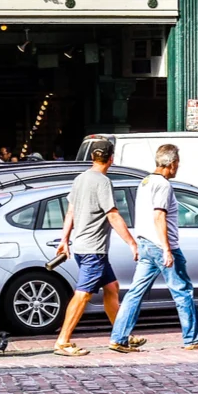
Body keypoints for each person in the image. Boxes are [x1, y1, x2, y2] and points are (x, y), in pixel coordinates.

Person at [110, 144, 198, 354]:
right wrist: (167, 249)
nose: (178, 167)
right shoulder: (163, 185)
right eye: (177, 163)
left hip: (146, 244)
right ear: (172, 163)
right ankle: (193, 337)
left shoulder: (145, 182)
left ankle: (119, 338)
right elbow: (159, 216)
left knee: (135, 293)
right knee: (182, 291)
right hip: (161, 245)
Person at [52, 140, 139, 357]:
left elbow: (70, 211)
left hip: (83, 246)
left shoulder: (80, 179)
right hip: (94, 249)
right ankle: (62, 341)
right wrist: (132, 242)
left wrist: (64, 239)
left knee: (112, 287)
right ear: (111, 158)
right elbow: (112, 214)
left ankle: (121, 336)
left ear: (92, 157)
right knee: (82, 295)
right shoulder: (103, 182)